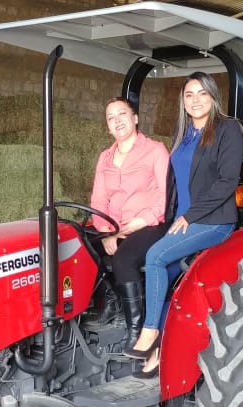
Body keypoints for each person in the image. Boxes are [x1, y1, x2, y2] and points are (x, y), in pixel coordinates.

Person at [123, 72, 243, 378]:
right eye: (189, 94)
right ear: (183, 101)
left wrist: (190, 216)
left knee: (155, 258)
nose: (196, 100)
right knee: (154, 275)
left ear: (213, 97)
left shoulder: (227, 129)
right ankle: (164, 349)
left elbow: (228, 181)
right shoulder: (184, 133)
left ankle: (150, 334)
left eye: (202, 93)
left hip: (212, 220)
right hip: (181, 221)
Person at [88, 96, 170, 348]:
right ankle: (111, 300)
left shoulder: (155, 151)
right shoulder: (105, 158)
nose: (117, 121)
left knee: (124, 258)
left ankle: (136, 326)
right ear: (107, 126)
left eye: (122, 114)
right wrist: (105, 233)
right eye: (111, 118)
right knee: (77, 244)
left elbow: (164, 198)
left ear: (135, 118)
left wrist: (138, 222)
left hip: (150, 224)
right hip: (114, 226)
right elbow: (98, 201)